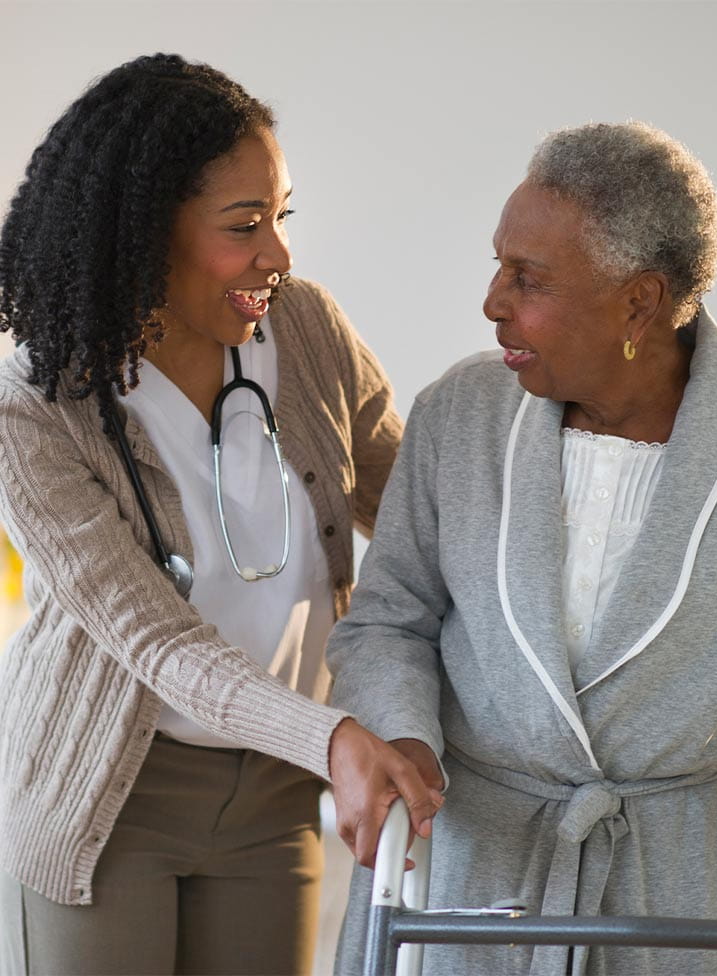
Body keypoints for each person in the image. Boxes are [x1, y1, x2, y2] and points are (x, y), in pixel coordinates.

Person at [0, 53, 442, 976]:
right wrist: (334, 737)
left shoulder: (307, 332)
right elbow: (155, 642)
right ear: (141, 235)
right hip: (107, 799)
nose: (277, 254)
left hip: (275, 798)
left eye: (281, 217)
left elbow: (422, 521)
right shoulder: (34, 407)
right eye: (245, 226)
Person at [327, 120, 717, 975]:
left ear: (639, 301)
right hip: (466, 867)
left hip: (682, 893)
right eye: (498, 263)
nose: (492, 300)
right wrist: (404, 737)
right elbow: (388, 621)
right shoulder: (460, 414)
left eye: (528, 278)